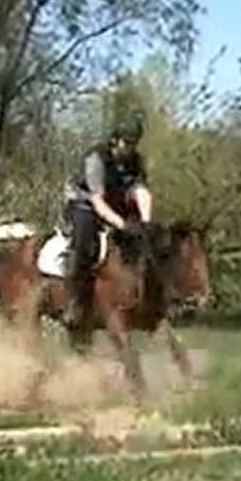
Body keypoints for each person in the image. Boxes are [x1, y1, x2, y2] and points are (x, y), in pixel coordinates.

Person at [62, 113, 153, 326]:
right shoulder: (96, 159)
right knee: (85, 241)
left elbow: (141, 190)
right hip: (84, 203)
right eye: (126, 143)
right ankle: (75, 301)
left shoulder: (135, 161)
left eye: (134, 143)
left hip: (114, 201)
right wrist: (121, 225)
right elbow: (98, 202)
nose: (130, 148)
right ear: (115, 139)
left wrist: (146, 223)